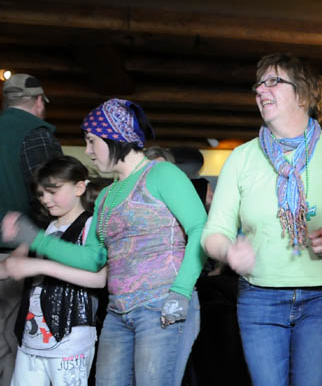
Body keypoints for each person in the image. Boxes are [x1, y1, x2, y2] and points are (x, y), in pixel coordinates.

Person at [201, 53, 322, 386]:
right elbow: (214, 232)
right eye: (259, 83)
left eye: (273, 81)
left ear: (303, 95)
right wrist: (228, 252)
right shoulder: (242, 157)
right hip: (259, 298)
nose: (260, 90)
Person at [2, 98, 208, 386]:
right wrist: (34, 238)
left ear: (115, 137)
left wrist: (181, 291)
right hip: (118, 312)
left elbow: (200, 228)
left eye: (91, 141)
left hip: (161, 304)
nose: (88, 151)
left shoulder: (161, 174)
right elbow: (92, 259)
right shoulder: (107, 196)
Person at [0, 156, 107, 386]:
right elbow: (10, 266)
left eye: (52, 191)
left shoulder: (91, 225)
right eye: (41, 194)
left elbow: (99, 280)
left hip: (70, 340)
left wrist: (37, 265)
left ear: (79, 187)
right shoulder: (42, 229)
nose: (46, 200)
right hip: (31, 338)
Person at [0, 73, 62, 386]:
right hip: (17, 253)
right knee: (14, 340)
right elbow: (51, 196)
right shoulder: (36, 134)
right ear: (39, 102)